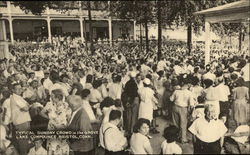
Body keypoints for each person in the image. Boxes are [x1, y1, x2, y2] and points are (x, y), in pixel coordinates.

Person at [40, 89, 71, 155]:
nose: (50, 97)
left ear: (57, 97)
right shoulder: (49, 104)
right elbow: (41, 113)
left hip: (62, 129)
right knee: (52, 148)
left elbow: (69, 118)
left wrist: (67, 127)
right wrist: (49, 118)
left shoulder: (66, 105)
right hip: (51, 130)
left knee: (62, 148)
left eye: (52, 96)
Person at [170, 77, 194, 143]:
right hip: (184, 109)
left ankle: (175, 137)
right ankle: (183, 139)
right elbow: (191, 104)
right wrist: (191, 113)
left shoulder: (176, 91)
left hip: (175, 107)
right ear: (187, 85)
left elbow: (171, 99)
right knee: (183, 124)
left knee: (175, 123)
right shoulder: (189, 93)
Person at [10, 83, 31, 155]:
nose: (20, 90)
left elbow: (28, 105)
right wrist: (26, 107)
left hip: (24, 121)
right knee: (23, 142)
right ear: (13, 90)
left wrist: (26, 107)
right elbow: (26, 108)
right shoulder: (15, 97)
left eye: (20, 88)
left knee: (24, 141)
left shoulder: (19, 97)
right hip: (21, 122)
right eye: (17, 89)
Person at [122, 71, 140, 136]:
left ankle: (128, 129)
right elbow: (134, 93)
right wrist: (130, 101)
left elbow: (125, 92)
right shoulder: (134, 84)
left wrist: (127, 101)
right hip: (134, 100)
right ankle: (133, 130)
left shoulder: (127, 83)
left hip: (128, 100)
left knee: (128, 115)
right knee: (134, 116)